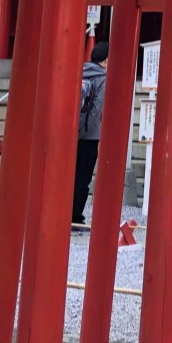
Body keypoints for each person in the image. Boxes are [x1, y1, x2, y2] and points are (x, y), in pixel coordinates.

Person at [72, 41, 109, 229]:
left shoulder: (80, 73)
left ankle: (63, 212)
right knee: (83, 178)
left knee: (70, 174)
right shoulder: (102, 78)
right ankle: (76, 217)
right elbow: (96, 110)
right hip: (89, 135)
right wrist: (85, 130)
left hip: (71, 133)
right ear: (106, 60)